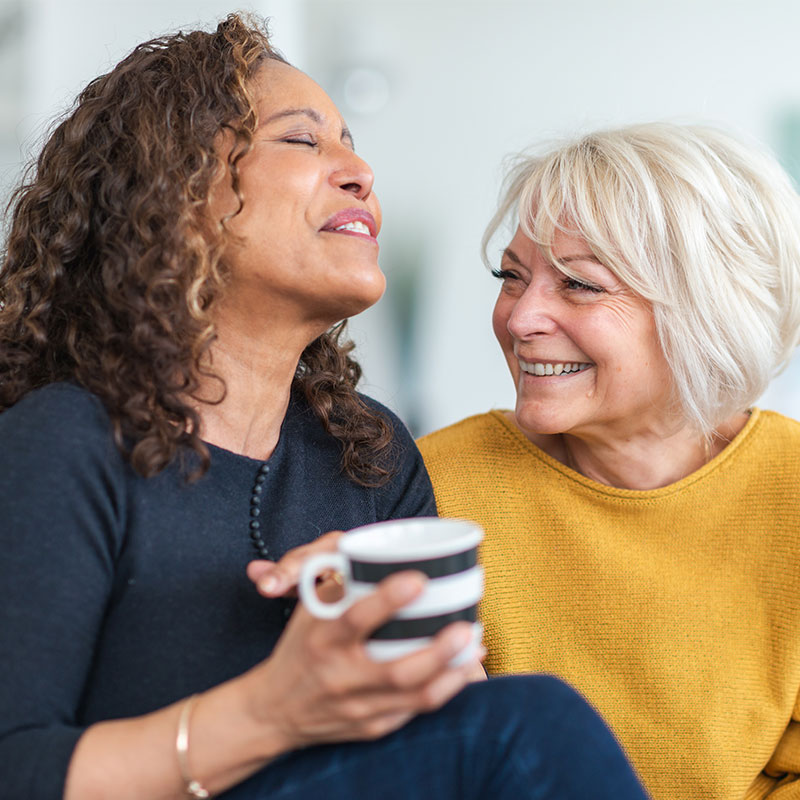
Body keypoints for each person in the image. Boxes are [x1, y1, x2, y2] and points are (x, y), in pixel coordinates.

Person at [0, 14, 649, 800]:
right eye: (303, 141)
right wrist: (271, 712)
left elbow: (435, 735)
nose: (360, 171)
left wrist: (432, 668)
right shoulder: (63, 442)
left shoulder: (367, 454)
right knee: (527, 722)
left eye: (350, 141)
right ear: (173, 191)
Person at [417, 122, 800, 800]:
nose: (520, 318)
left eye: (580, 286)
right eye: (512, 276)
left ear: (709, 311)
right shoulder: (431, 485)